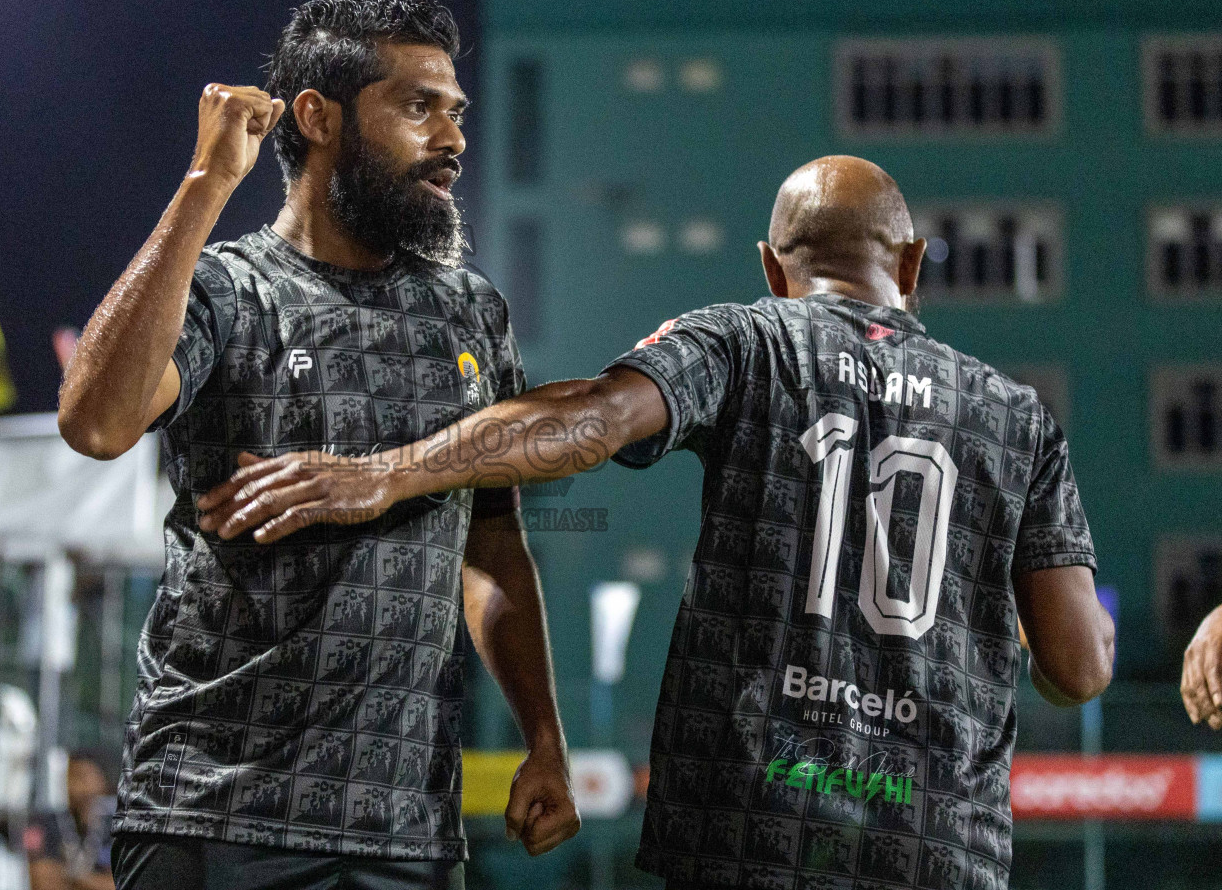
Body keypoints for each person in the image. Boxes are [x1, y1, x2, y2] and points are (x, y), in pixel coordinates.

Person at [198, 155, 1117, 890]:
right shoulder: (1017, 417)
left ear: (772, 267)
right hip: (934, 848)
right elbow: (1077, 670)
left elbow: (592, 417)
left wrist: (387, 473)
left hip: (748, 834)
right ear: (911, 266)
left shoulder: (746, 339)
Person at [58, 0, 579, 889]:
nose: (451, 139)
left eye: (455, 113)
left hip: (408, 832)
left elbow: (493, 546)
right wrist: (206, 182)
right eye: (418, 108)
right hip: (213, 815)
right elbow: (98, 422)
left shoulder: (471, 310)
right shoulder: (230, 290)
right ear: (317, 114)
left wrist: (544, 737)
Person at [23, 750, 117, 890]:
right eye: (71, 777)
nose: (77, 787)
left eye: (85, 777)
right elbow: (42, 882)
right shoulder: (45, 823)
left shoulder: (114, 826)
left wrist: (72, 878)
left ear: (101, 781)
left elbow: (118, 884)